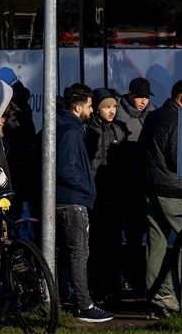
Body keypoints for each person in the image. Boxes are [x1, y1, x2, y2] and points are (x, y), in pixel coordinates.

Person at [55, 83, 113, 323]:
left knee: (63, 254)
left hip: (63, 200)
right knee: (79, 254)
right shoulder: (71, 130)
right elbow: (66, 168)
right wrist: (87, 187)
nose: (92, 110)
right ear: (78, 108)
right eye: (90, 106)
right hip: (73, 201)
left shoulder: (60, 125)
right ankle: (84, 305)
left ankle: (59, 299)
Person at [141, 80, 182, 318]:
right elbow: (178, 160)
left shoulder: (154, 116)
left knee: (157, 245)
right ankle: (166, 291)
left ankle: (153, 302)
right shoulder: (178, 120)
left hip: (150, 188)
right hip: (172, 191)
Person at [85, 88, 130, 302]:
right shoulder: (87, 130)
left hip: (114, 193)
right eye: (106, 107)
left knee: (113, 242)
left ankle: (113, 285)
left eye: (113, 107)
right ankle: (95, 285)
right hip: (94, 194)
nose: (111, 111)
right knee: (94, 242)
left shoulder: (119, 130)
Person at [0, 67, 38, 236]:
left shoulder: (16, 107)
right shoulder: (22, 104)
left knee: (14, 211)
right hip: (20, 163)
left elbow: (16, 135)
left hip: (16, 166)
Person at [116, 76, 157, 294]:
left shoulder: (153, 112)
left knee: (143, 233)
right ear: (130, 95)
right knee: (127, 233)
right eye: (139, 97)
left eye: (146, 97)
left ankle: (140, 277)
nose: (143, 101)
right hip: (125, 180)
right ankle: (125, 277)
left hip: (146, 179)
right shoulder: (117, 113)